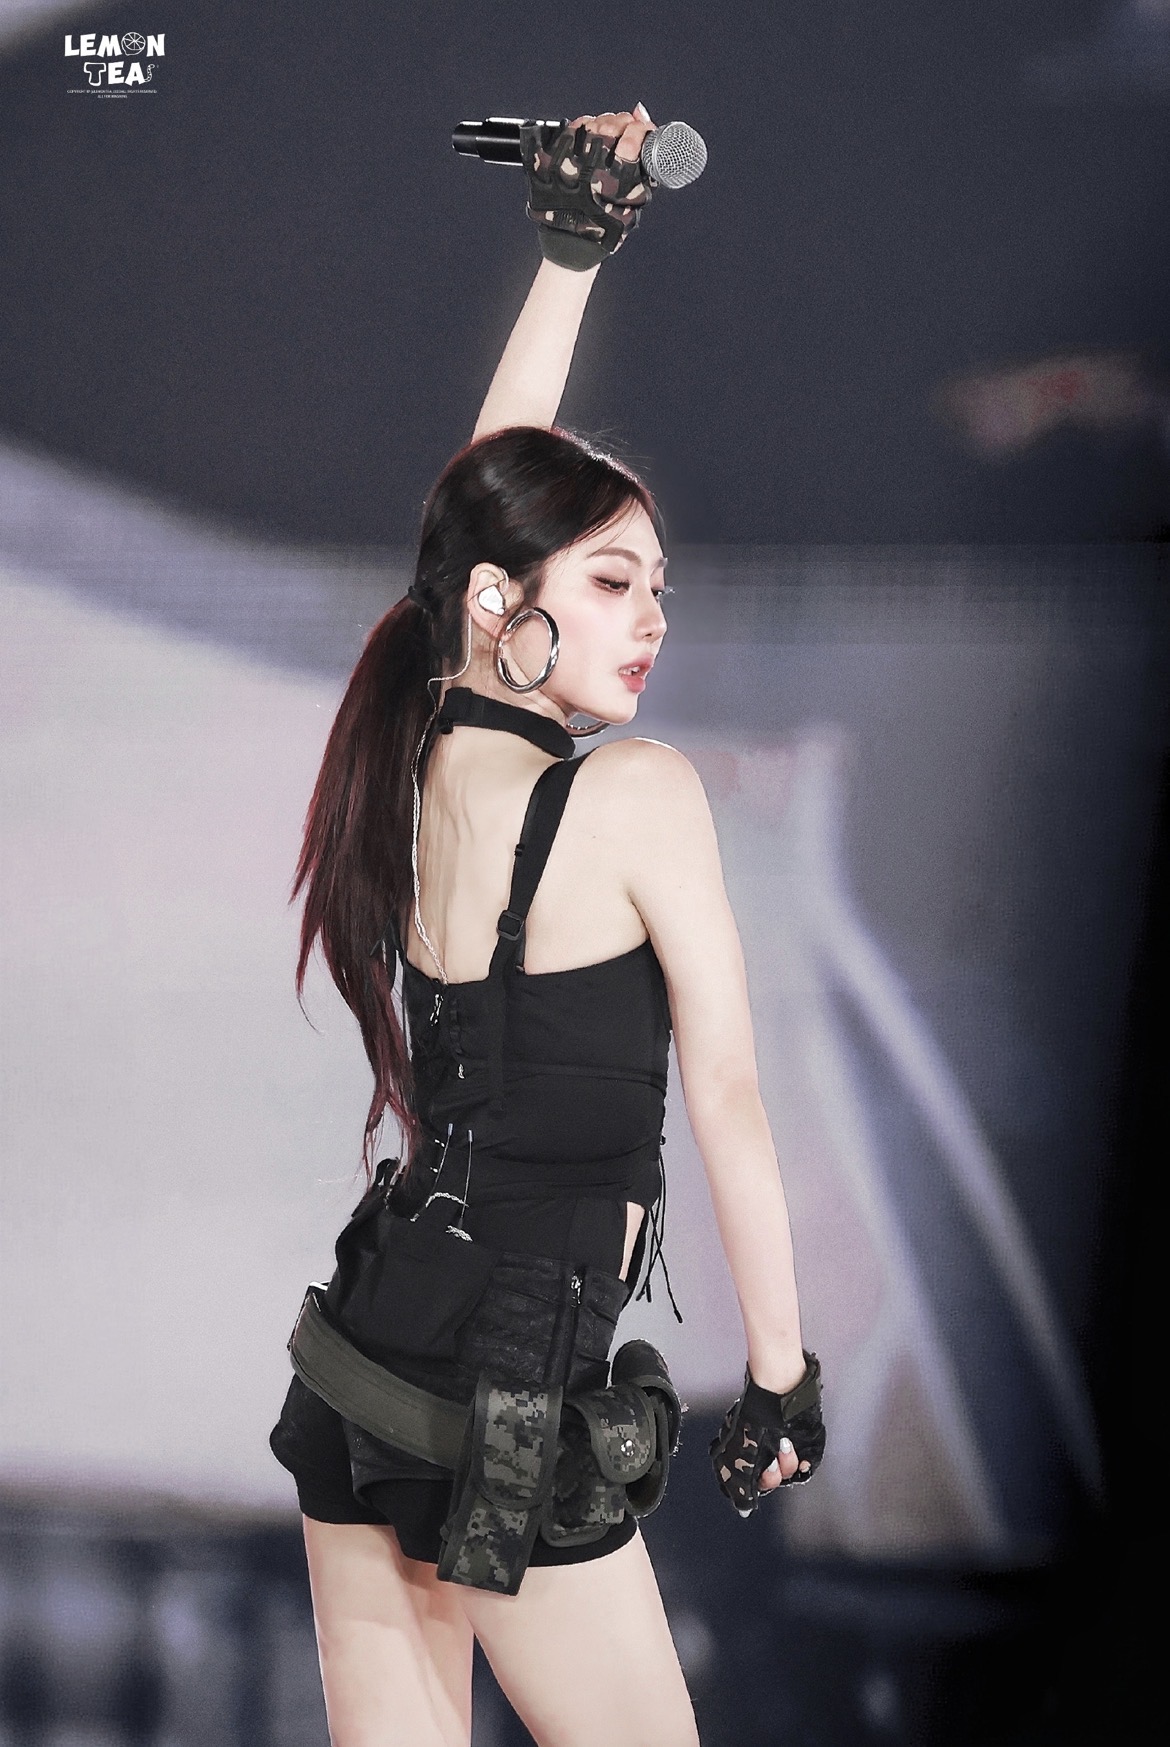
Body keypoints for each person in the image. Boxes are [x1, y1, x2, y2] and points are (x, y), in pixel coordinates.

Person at [269, 103, 824, 1747]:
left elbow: (479, 510)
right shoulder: (637, 793)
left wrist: (570, 257)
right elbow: (728, 1098)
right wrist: (780, 1375)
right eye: (611, 583)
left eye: (659, 590)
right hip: (508, 1376)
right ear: (503, 606)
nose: (651, 621)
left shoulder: (427, 753)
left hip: (372, 1346)